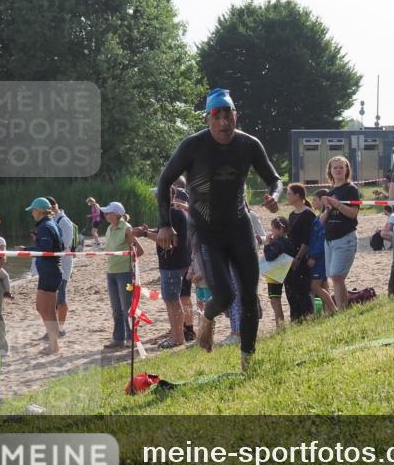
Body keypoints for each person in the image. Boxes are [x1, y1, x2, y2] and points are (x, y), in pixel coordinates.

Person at [155, 88, 282, 371]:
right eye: (217, 116)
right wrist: (165, 224)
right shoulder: (193, 146)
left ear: (236, 116)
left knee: (249, 297)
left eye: (228, 115)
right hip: (206, 232)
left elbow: (275, 179)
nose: (224, 122)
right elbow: (164, 182)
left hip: (239, 226)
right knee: (224, 296)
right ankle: (208, 318)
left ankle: (247, 361)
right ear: (208, 118)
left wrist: (276, 195)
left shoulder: (249, 145)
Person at [133, 188, 192, 348]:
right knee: (171, 299)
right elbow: (162, 234)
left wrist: (145, 234)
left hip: (173, 263)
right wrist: (147, 231)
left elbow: (169, 240)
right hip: (174, 262)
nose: (156, 198)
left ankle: (177, 337)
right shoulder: (172, 213)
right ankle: (176, 335)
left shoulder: (173, 214)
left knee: (172, 300)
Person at [100, 202, 143, 349]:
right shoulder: (109, 228)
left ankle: (131, 338)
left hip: (124, 273)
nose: (106, 215)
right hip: (111, 272)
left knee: (127, 308)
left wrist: (131, 264)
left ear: (116, 214)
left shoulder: (127, 228)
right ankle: (118, 338)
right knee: (116, 308)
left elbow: (139, 250)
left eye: (108, 212)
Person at [26, 197, 65, 354]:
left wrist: (26, 249)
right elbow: (57, 246)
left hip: (50, 271)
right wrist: (30, 247)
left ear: (39, 211)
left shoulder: (45, 226)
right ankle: (54, 344)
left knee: (44, 309)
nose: (32, 214)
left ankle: (53, 345)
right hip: (51, 271)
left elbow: (46, 249)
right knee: (47, 309)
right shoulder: (51, 223)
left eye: (33, 211)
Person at [320, 156, 359, 311]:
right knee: (335, 277)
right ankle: (341, 310)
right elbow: (322, 220)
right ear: (330, 171)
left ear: (346, 170)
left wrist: (336, 204)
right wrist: (328, 209)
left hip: (345, 237)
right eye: (335, 167)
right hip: (329, 239)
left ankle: (342, 310)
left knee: (337, 276)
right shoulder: (331, 191)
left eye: (341, 167)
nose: (338, 170)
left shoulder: (351, 189)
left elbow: (353, 214)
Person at [285, 184, 316, 322]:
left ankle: (306, 317)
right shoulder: (292, 215)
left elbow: (307, 239)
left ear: (297, 195)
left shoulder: (308, 214)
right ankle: (295, 318)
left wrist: (298, 258)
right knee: (291, 289)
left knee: (302, 289)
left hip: (301, 258)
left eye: (289, 193)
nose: (287, 196)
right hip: (290, 256)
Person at [45, 197, 75, 335]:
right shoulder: (50, 221)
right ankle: (53, 328)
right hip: (52, 264)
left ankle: (61, 328)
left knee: (61, 297)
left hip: (62, 263)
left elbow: (66, 243)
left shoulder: (63, 221)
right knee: (52, 298)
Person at [309, 190, 337, 315]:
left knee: (314, 286)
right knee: (324, 285)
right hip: (321, 255)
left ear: (322, 200)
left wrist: (313, 256)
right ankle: (328, 312)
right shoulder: (319, 216)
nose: (312, 202)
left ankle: (334, 309)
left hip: (320, 256)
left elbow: (321, 239)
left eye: (315, 199)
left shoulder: (325, 217)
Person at [264, 217, 295, 327]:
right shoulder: (288, 241)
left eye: (273, 229)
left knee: (275, 300)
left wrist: (267, 244)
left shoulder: (279, 242)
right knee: (276, 300)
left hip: (274, 275)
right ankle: (280, 325)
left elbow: (269, 257)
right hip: (284, 273)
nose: (272, 232)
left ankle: (280, 326)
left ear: (281, 229)